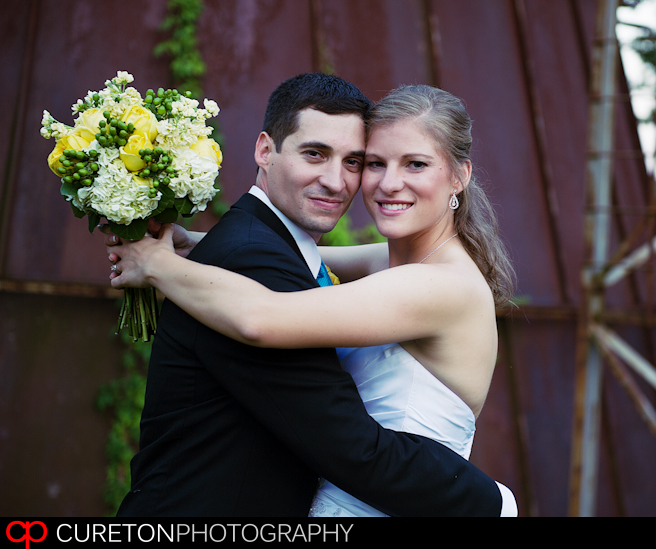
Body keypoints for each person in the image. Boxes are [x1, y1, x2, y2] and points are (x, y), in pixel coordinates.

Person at [104, 73, 515, 516]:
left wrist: (157, 264)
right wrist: (193, 241)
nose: (388, 183)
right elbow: (312, 257)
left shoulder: (439, 284)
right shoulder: (405, 261)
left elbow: (261, 317)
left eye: (415, 164)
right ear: (265, 150)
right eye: (375, 163)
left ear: (459, 177)